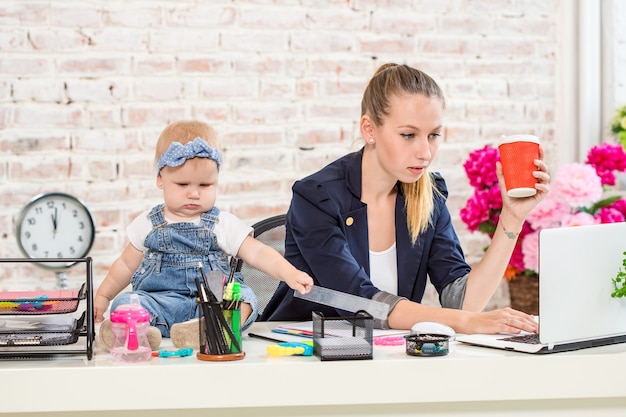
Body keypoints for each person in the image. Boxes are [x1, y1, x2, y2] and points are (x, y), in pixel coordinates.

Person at [261, 63, 549, 335]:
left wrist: (512, 217)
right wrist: (468, 322)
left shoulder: (427, 196)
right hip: (303, 358)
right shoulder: (316, 198)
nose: (425, 152)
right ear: (369, 129)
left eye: (433, 135)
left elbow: (462, 302)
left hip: (388, 357)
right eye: (409, 135)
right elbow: (364, 303)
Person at [95, 120, 313, 350]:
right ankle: (143, 332)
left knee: (247, 299)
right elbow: (125, 265)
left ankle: (206, 329)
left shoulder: (221, 223)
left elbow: (257, 252)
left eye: (205, 185)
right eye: (182, 184)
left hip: (212, 306)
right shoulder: (148, 223)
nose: (194, 193)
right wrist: (104, 297)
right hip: (161, 303)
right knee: (125, 304)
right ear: (160, 179)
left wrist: (289, 272)